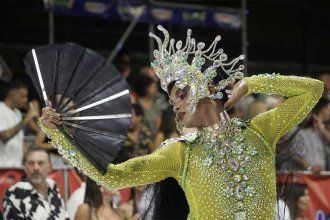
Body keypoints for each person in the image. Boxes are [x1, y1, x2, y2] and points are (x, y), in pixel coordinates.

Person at [39, 26, 323, 219]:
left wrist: (251, 83)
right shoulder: (180, 153)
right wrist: (60, 135)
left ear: (206, 90)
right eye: (172, 99)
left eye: (181, 94)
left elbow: (313, 90)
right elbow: (111, 176)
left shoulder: (260, 131)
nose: (174, 104)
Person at [2, 148, 67, 219]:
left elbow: (65, 216)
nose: (36, 168)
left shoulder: (52, 185)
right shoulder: (14, 192)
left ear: (50, 168)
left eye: (40, 163)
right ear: (25, 168)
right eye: (31, 163)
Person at [0, 79, 38, 167]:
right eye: (23, 96)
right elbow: (4, 137)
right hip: (2, 167)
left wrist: (32, 158)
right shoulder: (1, 109)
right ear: (13, 95)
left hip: (16, 166)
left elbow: (20, 142)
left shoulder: (17, 113)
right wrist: (26, 120)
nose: (26, 100)